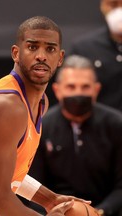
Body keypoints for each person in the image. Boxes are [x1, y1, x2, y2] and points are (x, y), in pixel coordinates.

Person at [0, 16, 90, 216]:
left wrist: (49, 199)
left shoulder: (39, 102)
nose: (41, 56)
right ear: (16, 53)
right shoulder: (8, 108)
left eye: (50, 49)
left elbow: (7, 175)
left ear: (60, 58)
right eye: (32, 47)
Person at [27, 55, 122, 216]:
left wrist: (98, 212)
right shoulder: (40, 127)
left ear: (96, 89)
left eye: (85, 87)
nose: (78, 93)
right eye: (71, 87)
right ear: (57, 90)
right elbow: (32, 185)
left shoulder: (116, 124)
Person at [68, 0, 122, 110]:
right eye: (113, 4)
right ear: (103, 6)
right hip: (99, 124)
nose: (119, 10)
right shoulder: (83, 48)